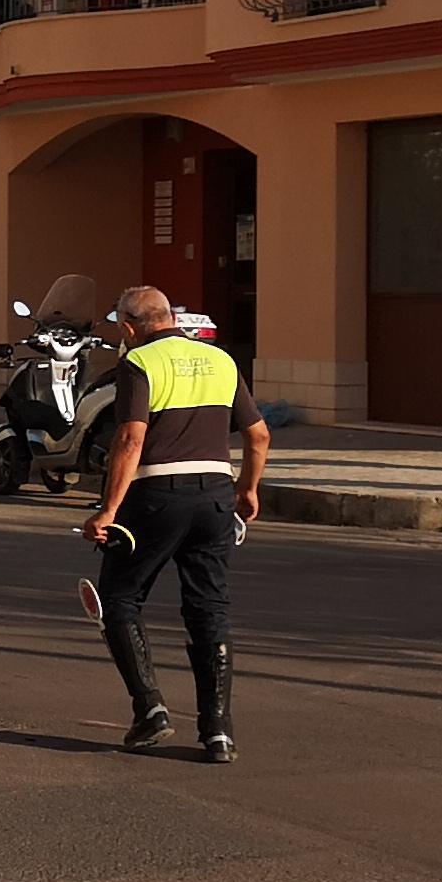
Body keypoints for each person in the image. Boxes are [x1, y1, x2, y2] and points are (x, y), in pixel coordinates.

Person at [79, 286, 270, 762]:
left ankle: (150, 710)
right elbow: (259, 434)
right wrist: (247, 489)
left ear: (128, 327)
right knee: (209, 608)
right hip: (214, 496)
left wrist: (107, 510)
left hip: (156, 496)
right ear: (172, 317)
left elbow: (129, 439)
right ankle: (218, 732)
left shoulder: (138, 363)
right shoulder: (221, 360)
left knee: (119, 598)